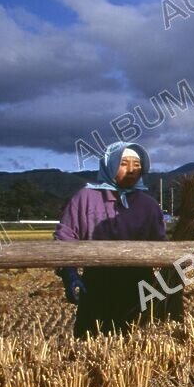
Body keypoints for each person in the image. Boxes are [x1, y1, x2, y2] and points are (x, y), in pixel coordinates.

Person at [54, 141, 167, 338]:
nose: (132, 170)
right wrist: (69, 273)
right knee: (92, 340)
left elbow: (160, 246)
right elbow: (65, 237)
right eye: (124, 164)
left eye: (137, 165)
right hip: (98, 282)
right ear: (110, 164)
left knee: (137, 340)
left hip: (139, 282)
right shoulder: (85, 198)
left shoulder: (148, 205)